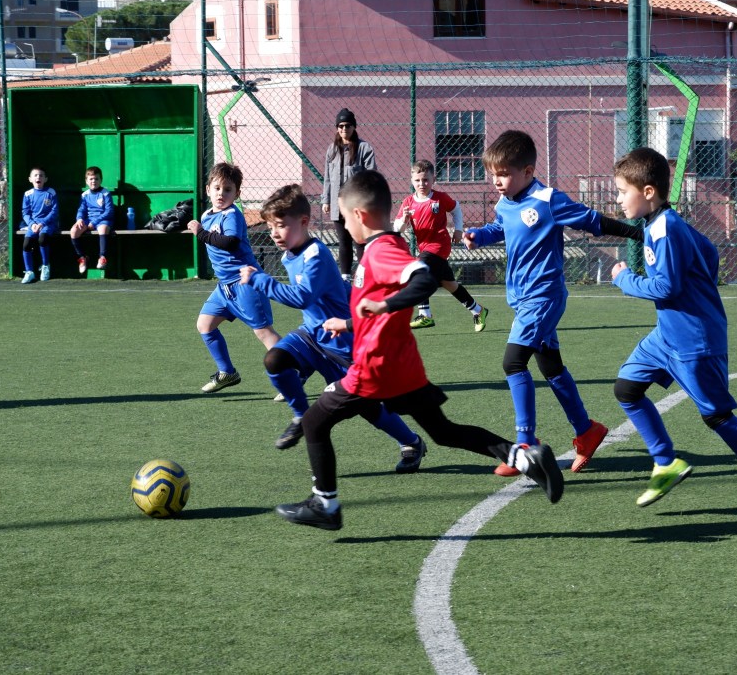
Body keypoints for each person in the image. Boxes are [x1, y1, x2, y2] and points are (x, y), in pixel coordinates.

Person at [274, 170, 564, 531]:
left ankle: (325, 505)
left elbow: (422, 278)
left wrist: (383, 307)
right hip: (402, 366)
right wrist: (349, 323)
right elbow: (380, 306)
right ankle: (523, 457)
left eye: (345, 219)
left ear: (360, 216)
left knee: (315, 421)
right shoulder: (381, 248)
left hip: (375, 369)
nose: (344, 228)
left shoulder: (381, 251)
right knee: (444, 432)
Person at [609, 147, 737, 519]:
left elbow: (665, 288)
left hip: (695, 341)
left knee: (717, 417)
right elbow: (708, 253)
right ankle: (665, 462)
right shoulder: (663, 223)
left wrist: (623, 279)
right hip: (667, 337)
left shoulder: (666, 229)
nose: (617, 199)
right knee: (627, 389)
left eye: (622, 191)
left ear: (648, 192)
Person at [463, 130, 641, 477]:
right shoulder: (506, 202)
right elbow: (501, 226)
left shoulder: (548, 200)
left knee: (513, 363)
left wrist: (639, 232)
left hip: (543, 297)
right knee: (551, 369)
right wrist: (478, 235)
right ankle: (586, 431)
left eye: (504, 174)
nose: (497, 181)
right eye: (493, 174)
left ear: (527, 172)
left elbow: (592, 221)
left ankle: (525, 444)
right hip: (522, 299)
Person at [239, 184, 428, 473]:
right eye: (270, 226)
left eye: (280, 226)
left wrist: (259, 280)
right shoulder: (291, 253)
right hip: (312, 334)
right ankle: (301, 415)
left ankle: (412, 442)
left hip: (342, 343)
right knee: (275, 359)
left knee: (368, 408)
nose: (275, 233)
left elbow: (302, 296)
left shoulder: (315, 255)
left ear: (303, 222)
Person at [187, 162, 280, 393]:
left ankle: (295, 371)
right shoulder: (207, 215)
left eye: (227, 190)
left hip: (246, 282)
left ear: (237, 194)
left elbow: (230, 243)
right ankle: (227, 372)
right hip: (225, 287)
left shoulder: (232, 216)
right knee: (205, 325)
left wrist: (200, 233)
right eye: (217, 188)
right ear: (208, 189)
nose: (221, 194)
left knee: (263, 332)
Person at [395, 159, 488, 332]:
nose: (421, 184)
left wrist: (458, 230)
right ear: (411, 180)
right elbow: (397, 228)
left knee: (417, 269)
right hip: (426, 248)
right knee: (449, 283)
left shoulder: (440, 198)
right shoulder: (408, 202)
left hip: (439, 245)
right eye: (417, 180)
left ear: (433, 179)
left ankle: (425, 315)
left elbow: (456, 209)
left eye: (425, 180)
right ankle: (478, 310)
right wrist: (404, 221)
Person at [321, 108, 377, 280]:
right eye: (340, 126)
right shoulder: (332, 149)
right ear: (337, 128)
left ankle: (362, 277)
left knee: (359, 241)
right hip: (338, 205)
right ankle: (344, 278)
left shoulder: (364, 148)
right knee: (343, 242)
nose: (344, 129)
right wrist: (326, 200)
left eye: (347, 125)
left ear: (354, 127)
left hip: (357, 205)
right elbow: (328, 178)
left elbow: (371, 175)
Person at [70, 166, 114, 273]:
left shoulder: (105, 193)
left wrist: (94, 223)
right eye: (91, 179)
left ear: (101, 180)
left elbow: (109, 212)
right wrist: (79, 219)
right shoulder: (84, 195)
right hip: (88, 220)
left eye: (96, 179)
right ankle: (82, 258)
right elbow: (81, 210)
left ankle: (102, 257)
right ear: (86, 181)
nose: (93, 181)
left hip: (103, 220)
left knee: (102, 229)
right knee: (74, 231)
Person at [19, 166, 58, 284]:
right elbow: (25, 213)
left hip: (48, 223)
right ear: (30, 179)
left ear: (45, 179)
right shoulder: (27, 194)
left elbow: (54, 211)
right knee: (26, 244)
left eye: (41, 175)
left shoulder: (51, 192)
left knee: (42, 239)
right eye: (35, 175)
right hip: (33, 225)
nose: (38, 177)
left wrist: (42, 223)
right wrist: (32, 224)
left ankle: (45, 266)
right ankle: (29, 272)